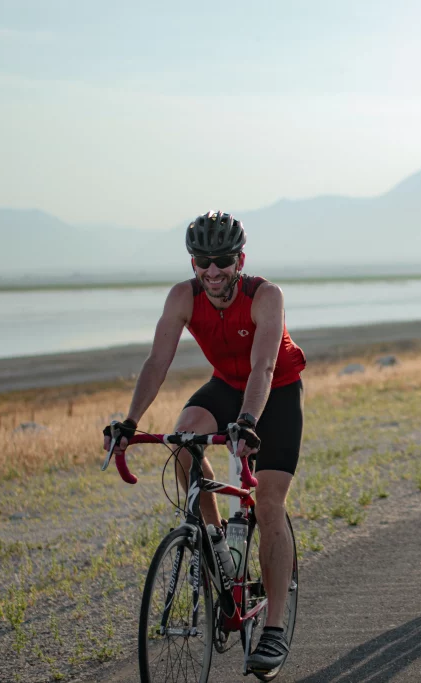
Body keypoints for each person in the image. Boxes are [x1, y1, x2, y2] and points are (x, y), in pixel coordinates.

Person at [101, 211, 306, 674]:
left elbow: (264, 369)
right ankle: (214, 538)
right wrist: (130, 422)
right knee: (185, 435)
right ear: (192, 262)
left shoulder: (265, 296)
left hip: (275, 389)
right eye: (202, 261)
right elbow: (157, 361)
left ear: (240, 259)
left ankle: (273, 627)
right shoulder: (182, 296)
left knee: (269, 502)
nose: (212, 271)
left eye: (222, 260)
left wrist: (248, 422)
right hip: (225, 384)